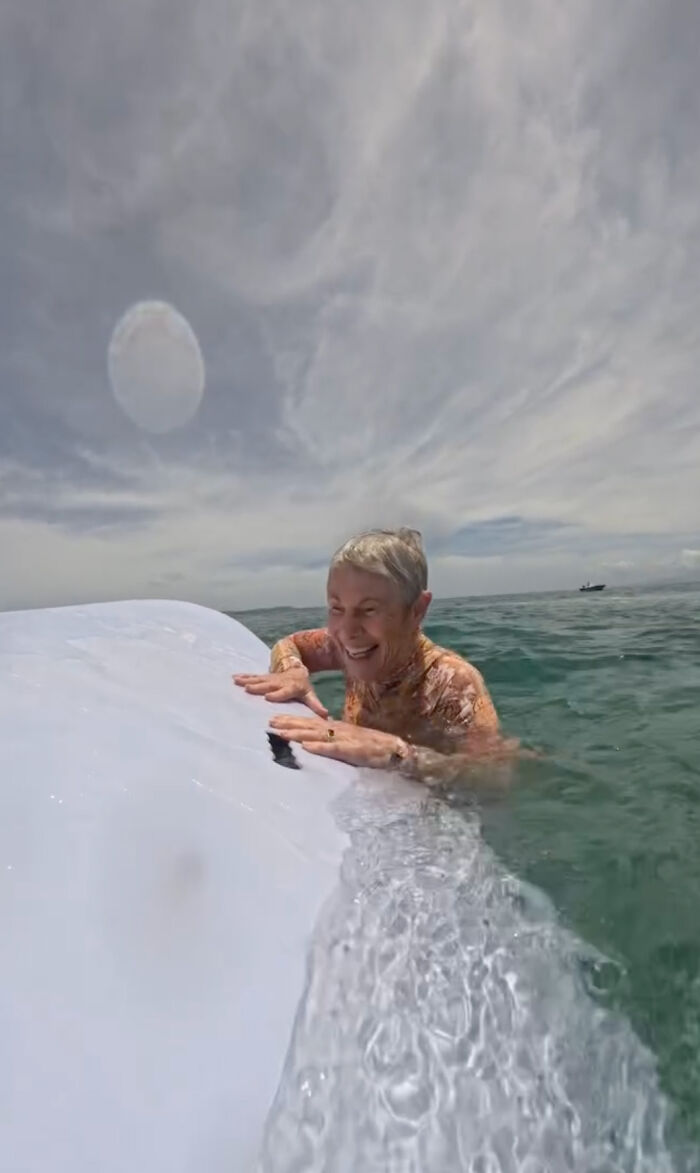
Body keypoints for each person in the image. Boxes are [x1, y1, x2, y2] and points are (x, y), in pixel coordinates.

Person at [233, 528, 519, 786]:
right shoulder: (343, 645)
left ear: (417, 609)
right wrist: (292, 671)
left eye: (369, 610)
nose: (346, 631)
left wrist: (398, 753)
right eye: (336, 608)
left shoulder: (451, 683)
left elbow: (492, 777)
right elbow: (289, 643)